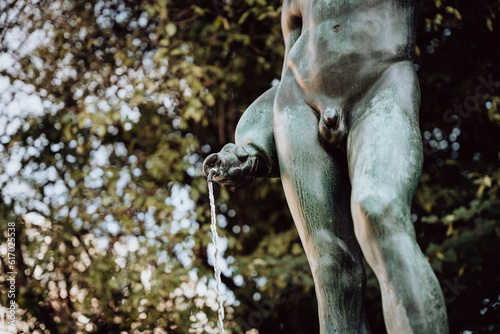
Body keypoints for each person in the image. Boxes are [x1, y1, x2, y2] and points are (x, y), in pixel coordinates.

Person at [204, 0, 449, 332]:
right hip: (299, 106)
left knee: (379, 209)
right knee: (332, 272)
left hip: (381, 84)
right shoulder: (291, 5)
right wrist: (251, 144)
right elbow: (288, 71)